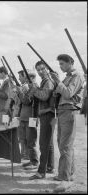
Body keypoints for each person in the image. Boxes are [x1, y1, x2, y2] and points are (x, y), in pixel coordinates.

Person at [50, 54, 84, 192]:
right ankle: (68, 174)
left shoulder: (76, 76)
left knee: (65, 146)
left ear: (71, 63)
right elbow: (60, 93)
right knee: (64, 144)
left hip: (69, 111)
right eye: (59, 64)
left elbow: (69, 93)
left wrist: (58, 82)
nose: (60, 66)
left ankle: (64, 179)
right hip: (63, 111)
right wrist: (56, 89)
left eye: (62, 64)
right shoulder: (67, 77)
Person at [29, 61, 56, 180]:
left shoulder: (48, 81)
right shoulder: (45, 81)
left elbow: (44, 96)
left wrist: (35, 90)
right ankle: (50, 167)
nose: (40, 72)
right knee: (48, 143)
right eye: (38, 69)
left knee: (43, 144)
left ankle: (41, 172)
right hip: (47, 114)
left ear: (47, 69)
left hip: (47, 115)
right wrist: (37, 88)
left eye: (42, 69)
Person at [15, 70, 39, 166]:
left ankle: (34, 162)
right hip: (24, 117)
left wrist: (20, 91)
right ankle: (30, 159)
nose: (24, 80)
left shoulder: (34, 87)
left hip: (31, 118)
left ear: (31, 78)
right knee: (24, 139)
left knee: (31, 142)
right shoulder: (28, 87)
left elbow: (26, 101)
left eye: (26, 78)